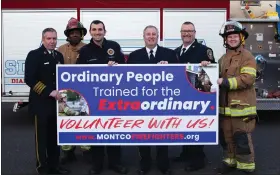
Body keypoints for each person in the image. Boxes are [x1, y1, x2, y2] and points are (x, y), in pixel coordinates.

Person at [76, 20, 128, 175]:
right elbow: (78, 75)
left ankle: (115, 163)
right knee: (97, 132)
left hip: (113, 98)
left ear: (105, 31)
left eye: (100, 29)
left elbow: (126, 70)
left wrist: (116, 65)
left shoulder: (114, 46)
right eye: (94, 30)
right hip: (94, 99)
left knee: (114, 130)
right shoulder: (84, 50)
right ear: (90, 32)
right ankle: (97, 164)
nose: (97, 32)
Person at [127, 25, 178, 175]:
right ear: (144, 37)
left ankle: (164, 165)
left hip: (163, 102)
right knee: (143, 135)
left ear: (158, 36)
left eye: (153, 34)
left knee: (162, 134)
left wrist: (170, 69)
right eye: (148, 34)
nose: (151, 37)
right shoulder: (134, 56)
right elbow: (127, 79)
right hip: (141, 102)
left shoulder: (169, 54)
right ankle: (145, 164)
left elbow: (179, 77)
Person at [24, 28, 70, 175]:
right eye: (49, 39)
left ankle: (54, 165)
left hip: (56, 105)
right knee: (42, 140)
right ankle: (42, 168)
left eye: (54, 39)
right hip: (41, 104)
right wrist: (49, 92)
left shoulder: (59, 56)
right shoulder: (34, 55)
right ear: (43, 39)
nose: (52, 41)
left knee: (54, 138)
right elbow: (30, 79)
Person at [173, 21, 216, 172]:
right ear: (180, 33)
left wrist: (208, 64)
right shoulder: (176, 51)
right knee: (185, 124)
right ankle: (185, 153)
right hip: (181, 96)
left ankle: (198, 159)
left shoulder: (204, 50)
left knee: (197, 125)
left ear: (195, 33)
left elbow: (211, 73)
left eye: (190, 31)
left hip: (198, 94)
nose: (187, 34)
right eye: (184, 31)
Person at [216, 20, 257, 174]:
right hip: (226, 109)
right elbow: (215, 74)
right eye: (229, 37)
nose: (231, 39)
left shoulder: (247, 56)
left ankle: (246, 166)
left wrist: (225, 82)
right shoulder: (224, 58)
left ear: (241, 38)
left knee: (241, 138)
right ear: (225, 40)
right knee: (227, 138)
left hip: (241, 108)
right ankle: (230, 161)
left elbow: (248, 78)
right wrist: (207, 65)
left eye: (234, 36)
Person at [57, 17, 91, 165]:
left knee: (85, 122)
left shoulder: (88, 49)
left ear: (82, 33)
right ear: (68, 34)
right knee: (67, 122)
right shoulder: (60, 50)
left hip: (85, 94)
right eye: (72, 32)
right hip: (66, 94)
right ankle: (67, 152)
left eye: (77, 32)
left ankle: (87, 151)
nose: (75, 34)